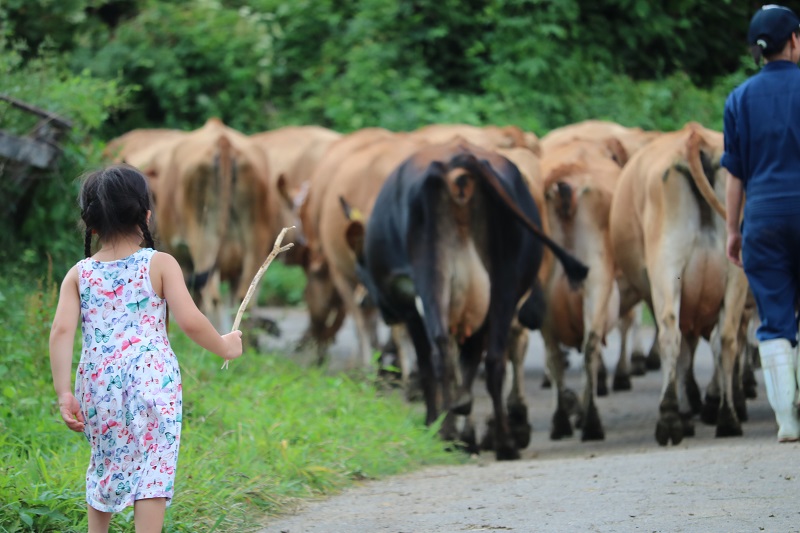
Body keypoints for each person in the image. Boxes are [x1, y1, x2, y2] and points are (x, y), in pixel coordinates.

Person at [49, 164, 244, 532]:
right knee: (152, 469)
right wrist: (224, 346)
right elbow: (189, 320)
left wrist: (63, 393)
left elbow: (61, 331)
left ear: (90, 223)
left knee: (104, 463)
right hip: (152, 383)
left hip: (97, 386)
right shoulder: (159, 264)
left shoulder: (79, 274)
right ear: (146, 216)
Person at [723, 4, 800, 443]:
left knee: (774, 318)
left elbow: (735, 176)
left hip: (764, 221)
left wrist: (734, 230)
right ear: (793, 40)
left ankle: (787, 421)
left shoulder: (739, 99)